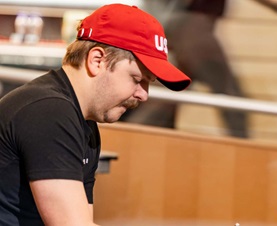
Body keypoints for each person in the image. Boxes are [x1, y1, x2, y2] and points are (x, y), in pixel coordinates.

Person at [0, 4, 191, 225]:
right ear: (97, 60)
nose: (143, 95)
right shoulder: (49, 111)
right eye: (137, 80)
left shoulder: (84, 124)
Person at [122, 0, 277, 138]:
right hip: (191, 25)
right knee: (232, 98)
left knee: (172, 93)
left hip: (180, 25)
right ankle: (242, 156)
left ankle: (131, 134)